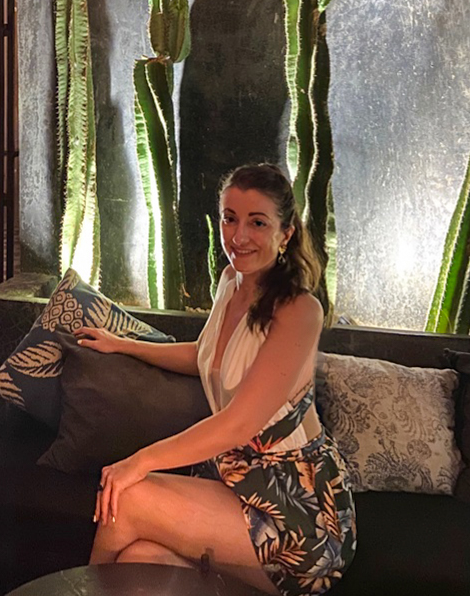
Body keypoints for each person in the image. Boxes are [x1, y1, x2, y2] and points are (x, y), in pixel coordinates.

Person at [73, 163, 356, 595]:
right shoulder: (229, 282)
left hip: (296, 508)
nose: (238, 236)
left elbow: (239, 423)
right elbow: (208, 358)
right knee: (138, 562)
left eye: (257, 222)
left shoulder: (299, 312)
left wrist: (140, 461)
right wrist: (125, 344)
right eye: (229, 218)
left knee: (126, 497)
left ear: (286, 233)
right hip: (233, 482)